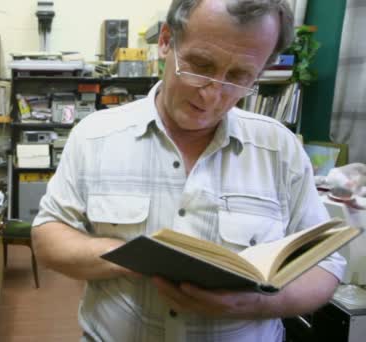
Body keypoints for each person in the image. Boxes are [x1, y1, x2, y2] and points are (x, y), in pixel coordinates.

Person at [31, 0, 347, 341]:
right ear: (167, 40)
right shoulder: (95, 135)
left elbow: (325, 264)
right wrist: (132, 256)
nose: (213, 94)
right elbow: (48, 236)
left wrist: (256, 304)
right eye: (200, 65)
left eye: (239, 76)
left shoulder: (279, 149)